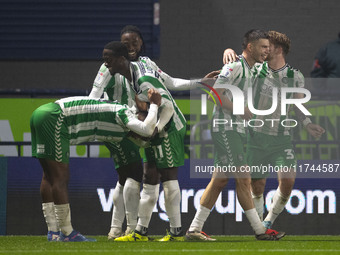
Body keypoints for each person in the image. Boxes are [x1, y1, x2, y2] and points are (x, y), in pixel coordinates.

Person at [31, 42, 162, 242]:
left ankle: (53, 232)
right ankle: (67, 232)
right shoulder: (124, 113)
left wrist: (149, 125)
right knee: (59, 178)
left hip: (44, 112)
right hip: (55, 118)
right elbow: (145, 130)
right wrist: (154, 106)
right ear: (139, 115)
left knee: (48, 177)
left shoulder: (123, 123)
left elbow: (144, 137)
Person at [89, 25, 208, 241]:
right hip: (137, 124)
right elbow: (94, 95)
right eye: (126, 44)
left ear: (141, 44)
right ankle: (137, 231)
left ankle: (174, 232)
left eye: (135, 42)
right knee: (141, 176)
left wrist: (156, 128)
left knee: (158, 176)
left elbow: (168, 103)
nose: (131, 47)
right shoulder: (124, 70)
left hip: (163, 126)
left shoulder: (143, 72)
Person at [186, 29, 285, 241]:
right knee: (244, 178)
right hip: (225, 128)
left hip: (237, 129)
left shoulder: (253, 68)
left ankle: (194, 229)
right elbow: (216, 94)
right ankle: (260, 230)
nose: (267, 51)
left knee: (219, 180)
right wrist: (240, 109)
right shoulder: (234, 66)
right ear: (250, 47)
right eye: (263, 47)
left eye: (268, 47)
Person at [223, 31, 325, 228]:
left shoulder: (294, 76)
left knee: (287, 182)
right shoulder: (256, 68)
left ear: (278, 49)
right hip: (256, 136)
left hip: (282, 138)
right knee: (258, 186)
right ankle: (261, 225)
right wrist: (228, 51)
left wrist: (307, 124)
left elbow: (296, 104)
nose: (264, 48)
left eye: (268, 45)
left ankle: (268, 221)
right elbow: (239, 62)